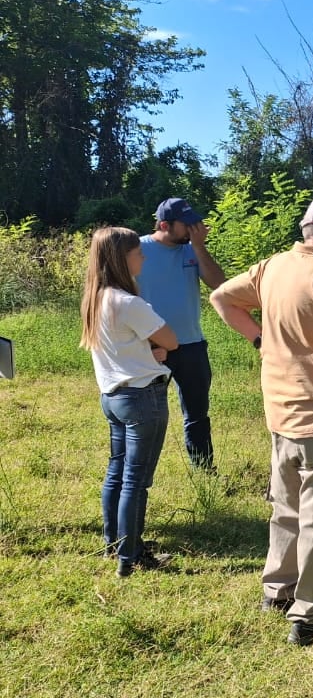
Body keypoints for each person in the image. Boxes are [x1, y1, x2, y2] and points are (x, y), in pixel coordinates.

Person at [210, 195, 313, 646]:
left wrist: (260, 340)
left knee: (286, 506)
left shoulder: (273, 267)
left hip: (281, 413)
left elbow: (221, 298)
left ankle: (280, 591)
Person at [79, 227, 179, 578]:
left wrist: (149, 350)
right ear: (123, 258)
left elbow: (125, 346)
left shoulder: (96, 297)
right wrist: (158, 349)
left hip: (113, 395)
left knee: (117, 473)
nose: (144, 257)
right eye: (138, 253)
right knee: (136, 481)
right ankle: (131, 556)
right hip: (141, 397)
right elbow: (171, 339)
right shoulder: (128, 302)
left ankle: (115, 543)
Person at [136, 197, 227, 472]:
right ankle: (138, 473)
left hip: (191, 346)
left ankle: (204, 473)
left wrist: (199, 247)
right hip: (150, 347)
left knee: (197, 415)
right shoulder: (136, 249)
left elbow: (218, 284)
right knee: (146, 416)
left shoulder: (192, 250)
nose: (195, 229)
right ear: (164, 225)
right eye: (187, 225)